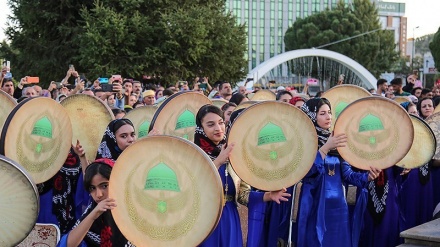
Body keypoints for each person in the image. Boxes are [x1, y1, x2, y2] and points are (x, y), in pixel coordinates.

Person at [194, 105, 290, 247]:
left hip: (230, 218)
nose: (218, 128)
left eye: (221, 122)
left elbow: (243, 195)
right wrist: (218, 161)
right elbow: (193, 188)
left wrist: (268, 196)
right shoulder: (193, 154)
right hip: (204, 220)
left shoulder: (234, 154)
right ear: (200, 128)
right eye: (210, 124)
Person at [295, 98, 380, 247]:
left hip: (338, 206)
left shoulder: (337, 141)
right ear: (311, 116)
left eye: (329, 113)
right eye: (322, 113)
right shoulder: (304, 142)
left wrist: (367, 176)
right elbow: (308, 172)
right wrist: (325, 148)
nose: (328, 117)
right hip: (313, 204)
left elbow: (348, 175)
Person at [58, 158, 134, 247]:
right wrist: (93, 215)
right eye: (92, 188)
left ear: (117, 181)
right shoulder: (92, 211)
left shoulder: (133, 210)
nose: (98, 195)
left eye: (104, 186)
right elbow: (68, 244)